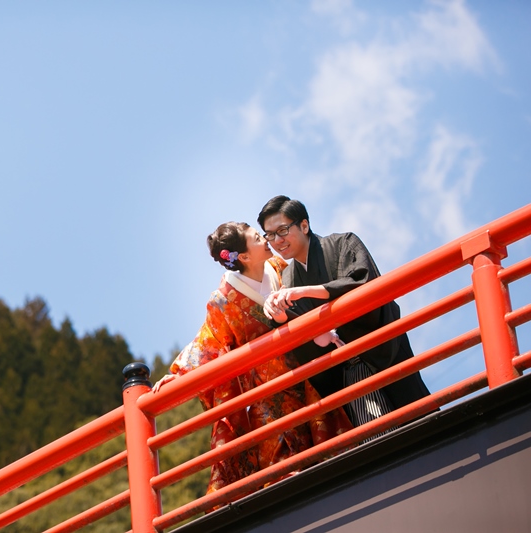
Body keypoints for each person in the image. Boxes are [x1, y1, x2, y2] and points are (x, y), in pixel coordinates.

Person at [154, 222, 352, 496]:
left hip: (307, 371)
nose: (267, 240)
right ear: (244, 256)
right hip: (267, 391)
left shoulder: (281, 269)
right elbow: (208, 341)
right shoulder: (223, 300)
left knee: (330, 450)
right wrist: (178, 375)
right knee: (282, 467)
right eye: (258, 237)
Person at [258, 195, 431, 430]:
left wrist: (308, 291)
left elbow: (362, 281)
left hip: (380, 350)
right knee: (378, 437)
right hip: (349, 367)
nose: (277, 240)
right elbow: (304, 334)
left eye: (283, 230)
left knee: (423, 423)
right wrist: (280, 317)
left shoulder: (343, 243)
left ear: (304, 225)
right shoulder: (288, 279)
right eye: (270, 235)